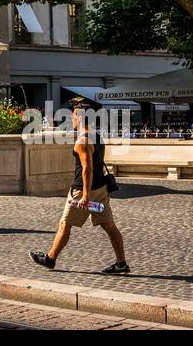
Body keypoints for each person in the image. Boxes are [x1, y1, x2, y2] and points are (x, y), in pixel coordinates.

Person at [30, 98, 130, 274]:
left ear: (79, 117)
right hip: (101, 189)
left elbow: (87, 169)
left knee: (65, 224)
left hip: (83, 190)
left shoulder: (82, 141)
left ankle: (50, 258)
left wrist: (85, 195)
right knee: (109, 225)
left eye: (73, 117)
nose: (72, 120)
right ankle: (121, 263)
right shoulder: (97, 137)